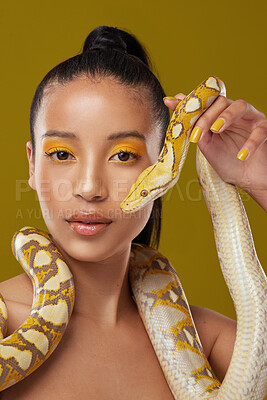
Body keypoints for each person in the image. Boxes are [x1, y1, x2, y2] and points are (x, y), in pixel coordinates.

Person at [0, 25, 266, 399]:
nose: (89, 188)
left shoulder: (215, 341)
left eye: (123, 155)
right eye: (62, 154)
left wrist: (263, 184)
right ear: (31, 165)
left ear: (163, 166)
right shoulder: (7, 324)